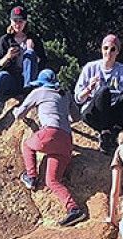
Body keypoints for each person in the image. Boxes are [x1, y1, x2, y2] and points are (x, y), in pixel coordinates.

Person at [13, 69, 88, 227]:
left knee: (27, 146)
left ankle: (31, 177)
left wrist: (15, 111)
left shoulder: (39, 91)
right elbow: (76, 117)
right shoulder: (64, 93)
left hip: (50, 133)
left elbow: (20, 114)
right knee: (52, 180)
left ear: (41, 83)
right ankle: (74, 209)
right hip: (67, 140)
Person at [0, 6, 46, 134]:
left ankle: (28, 91)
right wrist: (8, 56)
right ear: (11, 21)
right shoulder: (5, 40)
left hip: (29, 80)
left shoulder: (33, 39)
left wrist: (31, 50)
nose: (18, 24)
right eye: (15, 21)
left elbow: (43, 62)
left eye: (20, 21)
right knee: (1, 76)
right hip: (12, 80)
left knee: (29, 55)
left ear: (25, 22)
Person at [74, 34, 123, 153]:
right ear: (101, 49)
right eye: (106, 48)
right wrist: (89, 88)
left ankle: (114, 131)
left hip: (111, 114)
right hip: (93, 113)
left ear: (117, 52)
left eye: (113, 49)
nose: (109, 52)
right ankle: (104, 134)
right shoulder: (90, 68)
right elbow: (78, 98)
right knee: (104, 91)